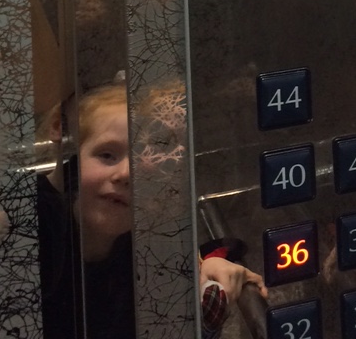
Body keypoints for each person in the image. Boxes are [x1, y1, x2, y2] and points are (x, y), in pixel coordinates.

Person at [39, 82, 266, 339]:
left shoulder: (143, 240)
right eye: (106, 155)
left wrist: (205, 271)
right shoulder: (34, 226)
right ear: (77, 155)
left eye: (144, 164)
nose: (126, 174)